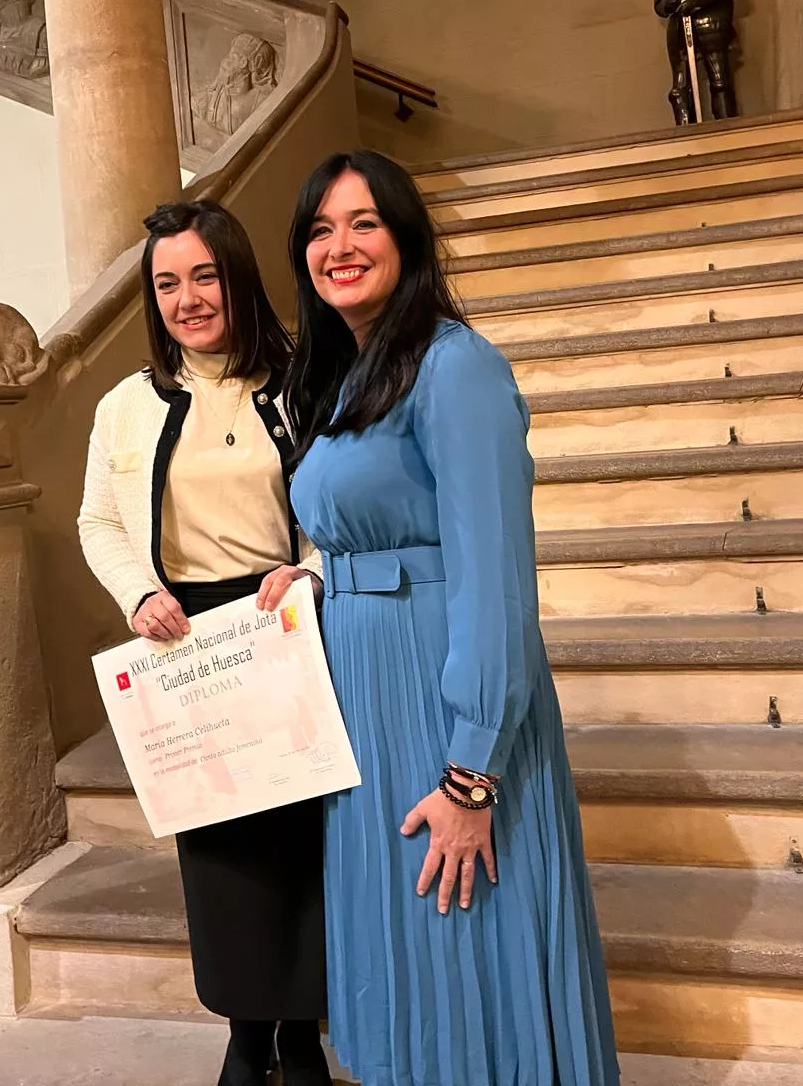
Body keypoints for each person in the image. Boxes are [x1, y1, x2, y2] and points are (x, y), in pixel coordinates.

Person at [275, 150, 620, 1086]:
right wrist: (320, 582)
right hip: (364, 701)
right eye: (319, 229)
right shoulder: (354, 376)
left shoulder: (455, 366)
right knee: (402, 950)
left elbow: (495, 579)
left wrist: (473, 774)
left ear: (408, 238)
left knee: (467, 943)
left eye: (363, 224)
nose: (337, 247)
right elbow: (381, 527)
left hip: (441, 708)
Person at [77, 200, 333, 1086]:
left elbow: (346, 502)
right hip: (185, 640)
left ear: (237, 276)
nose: (188, 298)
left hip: (284, 624)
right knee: (220, 849)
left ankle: (300, 1031)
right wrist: (139, 592)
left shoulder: (306, 381)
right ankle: (244, 1030)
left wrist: (310, 568)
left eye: (204, 275)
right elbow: (97, 519)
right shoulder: (125, 405)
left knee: (303, 841)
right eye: (167, 282)